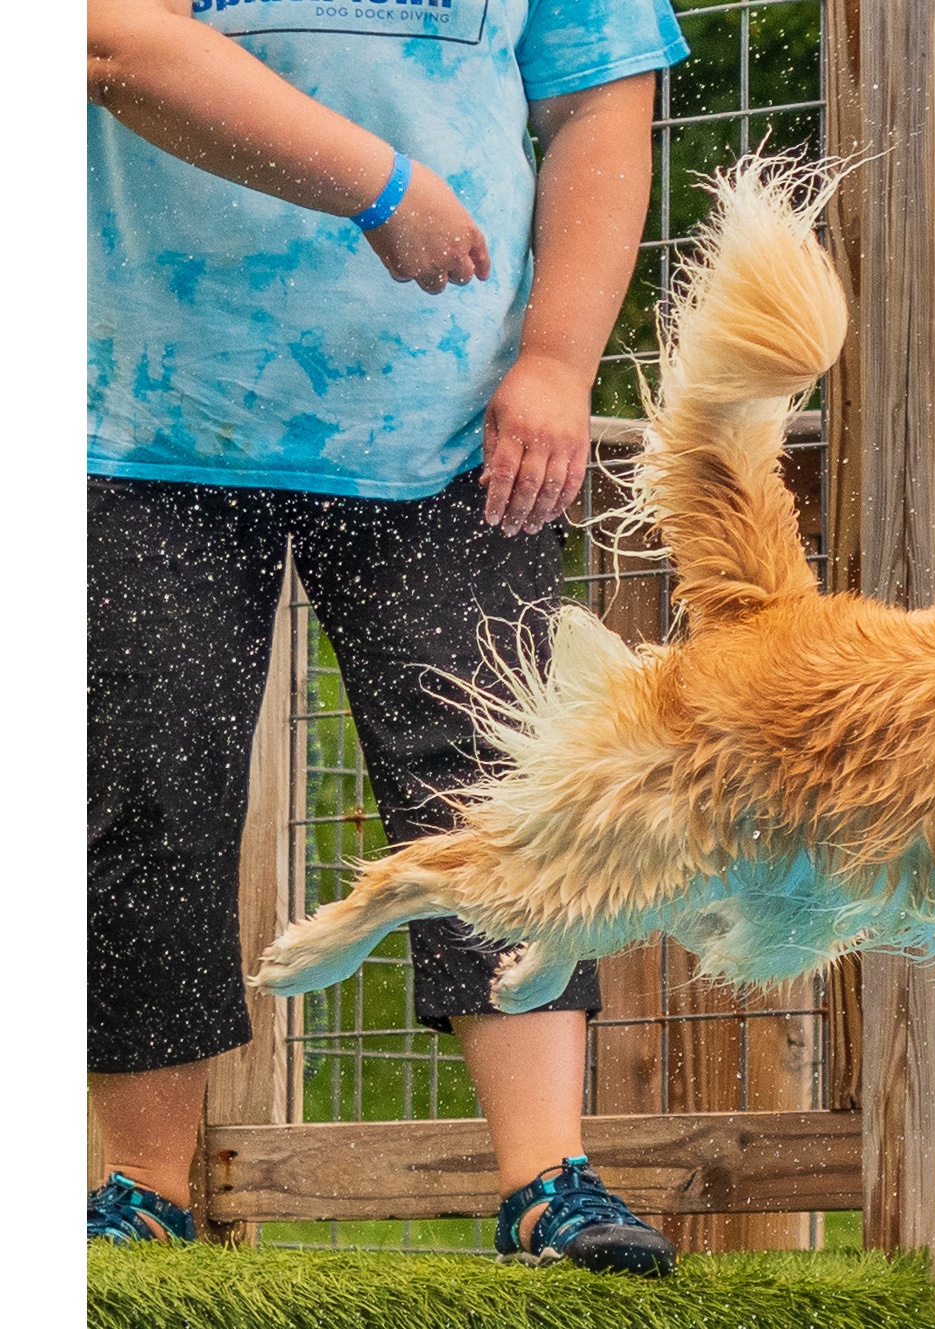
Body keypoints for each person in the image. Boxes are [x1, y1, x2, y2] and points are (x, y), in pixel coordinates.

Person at [84, 0, 687, 1275]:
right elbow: (108, 43)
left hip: (458, 422)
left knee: (493, 790)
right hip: (140, 417)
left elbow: (597, 106)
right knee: (140, 784)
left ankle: (546, 1187)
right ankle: (141, 1190)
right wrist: (380, 186)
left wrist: (561, 359)